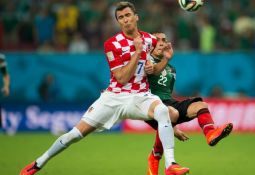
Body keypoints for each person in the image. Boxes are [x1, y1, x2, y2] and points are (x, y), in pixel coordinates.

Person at [19, 2, 189, 175]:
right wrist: (137, 53)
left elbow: (153, 70)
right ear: (118, 22)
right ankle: (38, 163)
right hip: (114, 97)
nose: (125, 20)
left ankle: (170, 165)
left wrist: (164, 60)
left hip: (140, 95)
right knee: (75, 135)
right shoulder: (112, 44)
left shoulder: (150, 40)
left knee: (162, 111)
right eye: (121, 18)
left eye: (128, 15)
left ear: (136, 17)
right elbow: (121, 78)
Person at [144, 33, 233, 175]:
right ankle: (155, 157)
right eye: (157, 40)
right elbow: (152, 71)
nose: (161, 43)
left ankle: (210, 134)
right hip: (149, 104)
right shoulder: (146, 61)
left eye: (164, 40)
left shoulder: (171, 68)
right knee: (169, 113)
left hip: (168, 103)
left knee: (200, 105)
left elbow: (167, 93)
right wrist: (173, 128)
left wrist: (173, 127)